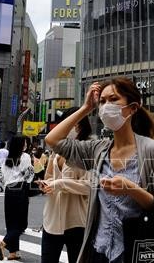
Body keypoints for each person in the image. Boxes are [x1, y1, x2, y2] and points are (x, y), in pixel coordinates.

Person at [45, 78, 154, 262]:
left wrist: (131, 188)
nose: (106, 106)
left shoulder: (153, 150)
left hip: (135, 252)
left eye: (114, 99)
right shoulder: (98, 149)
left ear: (132, 108)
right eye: (102, 101)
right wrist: (86, 108)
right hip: (99, 251)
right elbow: (53, 140)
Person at [40, 109, 92, 263]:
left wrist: (61, 184)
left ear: (80, 125)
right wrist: (46, 184)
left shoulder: (88, 150)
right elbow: (49, 176)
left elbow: (91, 186)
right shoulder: (57, 150)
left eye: (71, 122)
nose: (66, 127)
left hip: (77, 220)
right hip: (52, 218)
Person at [0, 136, 34, 261]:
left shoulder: (7, 159)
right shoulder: (26, 157)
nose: (26, 145)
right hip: (20, 190)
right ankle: (3, 243)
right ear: (20, 145)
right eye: (24, 143)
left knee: (11, 223)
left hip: (9, 192)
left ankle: (13, 253)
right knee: (21, 225)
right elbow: (29, 175)